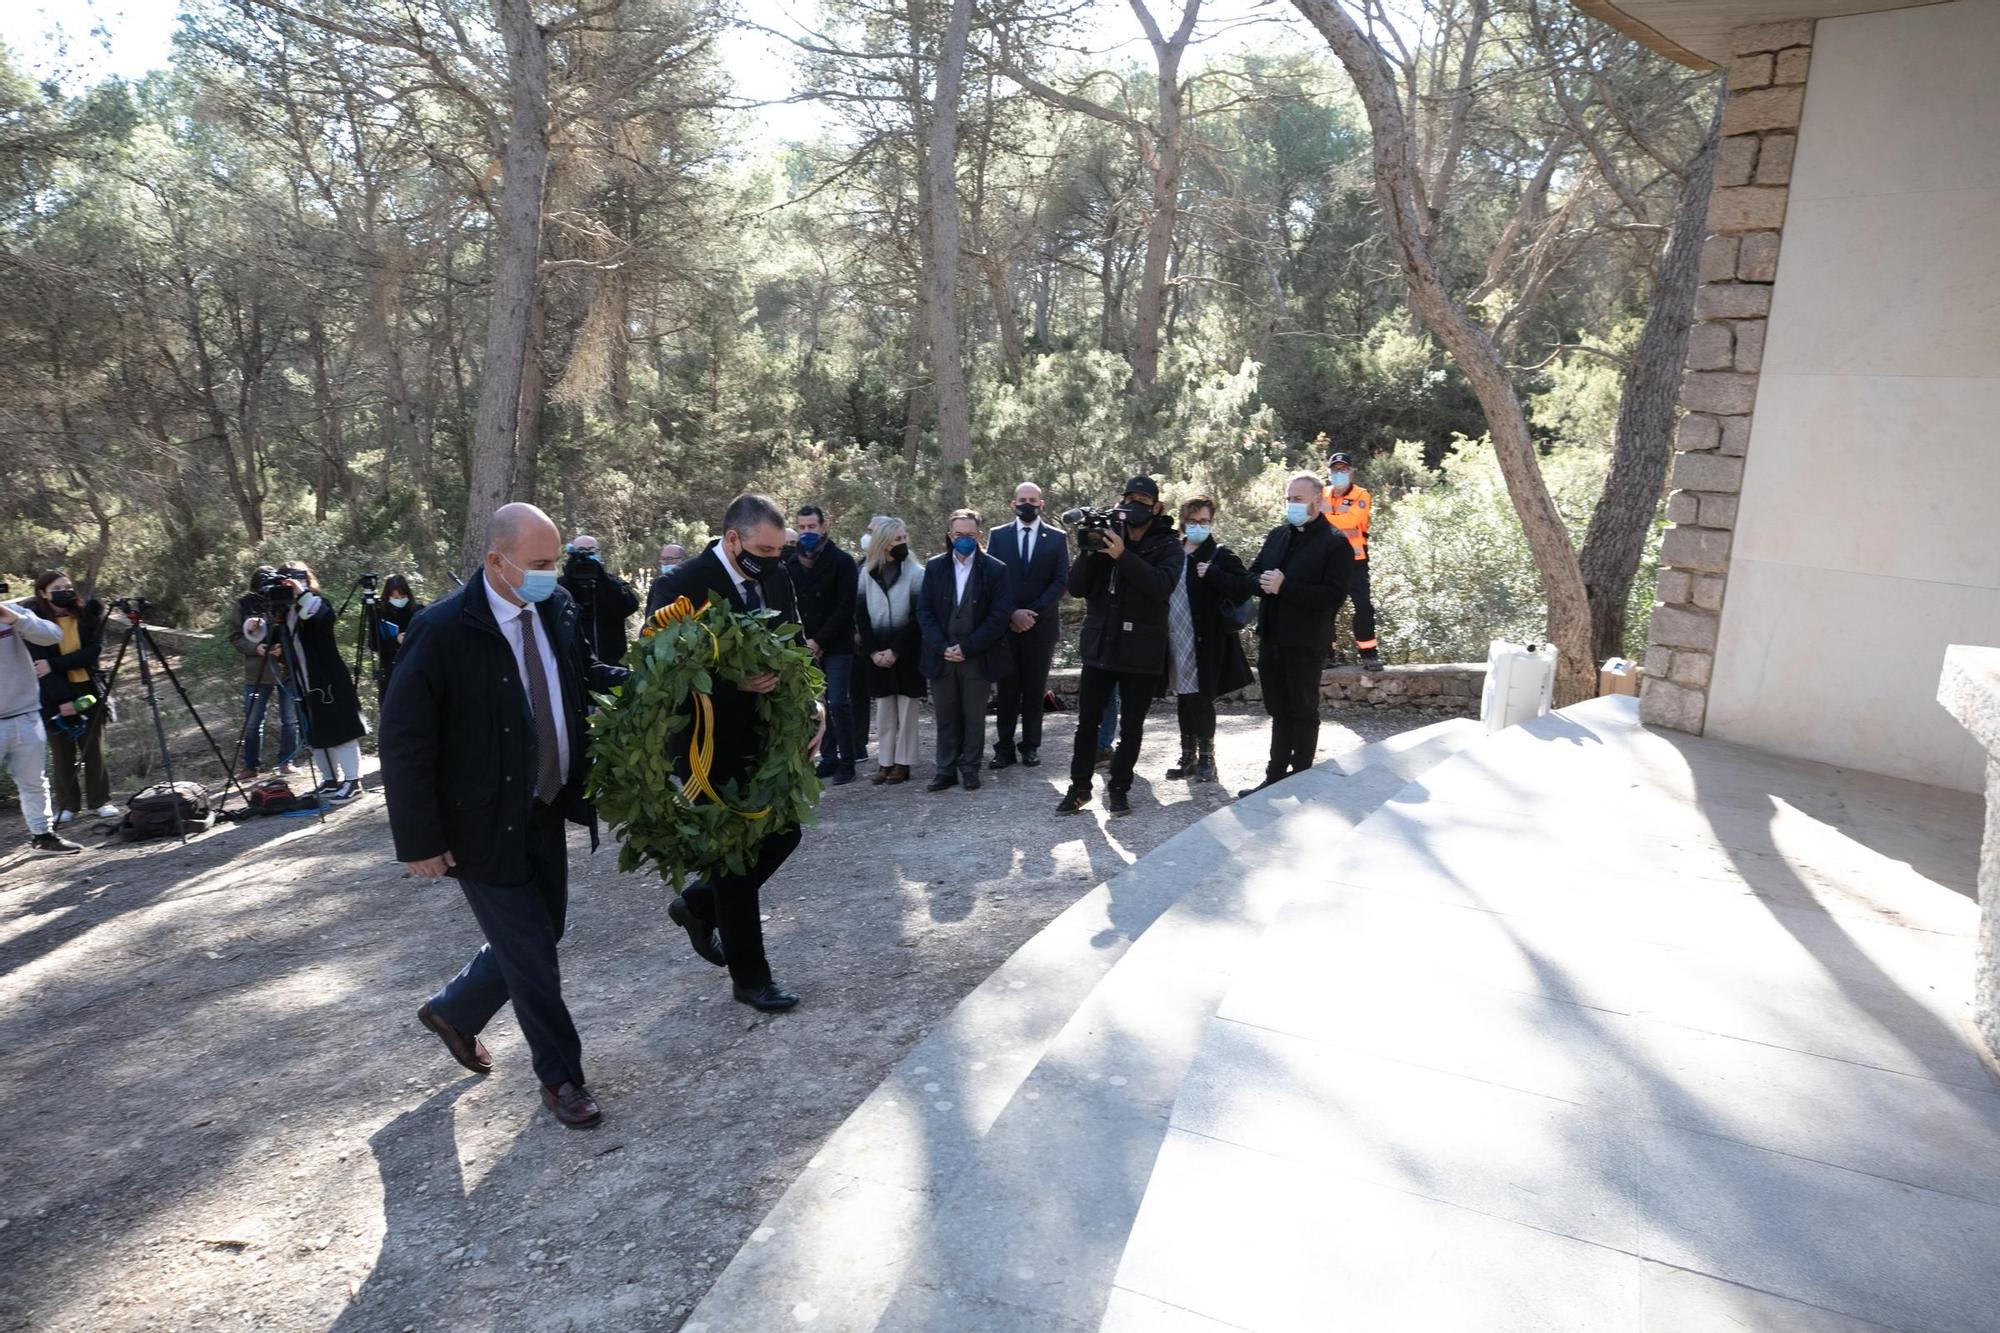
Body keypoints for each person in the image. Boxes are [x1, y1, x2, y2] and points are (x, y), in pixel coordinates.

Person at [382, 502, 632, 1130]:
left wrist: (653, 676)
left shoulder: (554, 608)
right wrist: (419, 838)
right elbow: (404, 740)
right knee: (531, 957)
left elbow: (578, 678)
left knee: (542, 933)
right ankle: (561, 1079)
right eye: (541, 564)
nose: (555, 574)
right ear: (497, 562)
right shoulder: (442, 630)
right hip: (480, 826)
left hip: (545, 806)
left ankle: (455, 1011)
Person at [650, 493, 823, 1013]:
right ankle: (750, 979)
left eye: (779, 549)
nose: (774, 559)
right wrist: (730, 680)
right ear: (732, 540)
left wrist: (814, 703)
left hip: (762, 738)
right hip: (704, 745)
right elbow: (659, 672)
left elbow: (791, 646)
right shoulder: (680, 586)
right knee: (734, 856)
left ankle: (700, 907)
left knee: (784, 832)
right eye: (764, 549)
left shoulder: (775, 575)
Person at [1211, 472, 1352, 796]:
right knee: (1277, 709)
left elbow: (1333, 596)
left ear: (1318, 500)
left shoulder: (1335, 542)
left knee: (1303, 709)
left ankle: (1302, 777)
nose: (1292, 504)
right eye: (1289, 499)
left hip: (1305, 642)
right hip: (1272, 637)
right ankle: (1274, 777)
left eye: (1298, 499)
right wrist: (1259, 583)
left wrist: (1285, 586)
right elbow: (1253, 574)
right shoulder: (1277, 535)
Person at [1057, 477, 1184, 817]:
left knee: (1131, 727)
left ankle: (1119, 788)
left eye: (1142, 499)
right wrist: (1088, 551)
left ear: (1156, 507)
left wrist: (1122, 556)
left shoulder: (1169, 545)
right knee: (1087, 724)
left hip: (1141, 650)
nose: (1133, 505)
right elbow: (1077, 587)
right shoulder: (1108, 536)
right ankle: (1079, 787)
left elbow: (1160, 586)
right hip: (1101, 646)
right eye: (1128, 498)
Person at [245, 562, 368, 801]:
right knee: (315, 731)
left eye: (292, 581)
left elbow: (322, 618)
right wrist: (258, 625)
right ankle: (330, 780)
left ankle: (353, 782)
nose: (288, 586)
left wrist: (301, 594)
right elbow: (272, 638)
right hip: (303, 680)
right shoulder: (285, 612)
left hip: (328, 679)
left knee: (341, 730)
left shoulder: (317, 603)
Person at [916, 509, 1014, 794]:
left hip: (978, 656)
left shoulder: (996, 569)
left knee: (974, 716)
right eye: (959, 535)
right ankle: (945, 770)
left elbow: (999, 615)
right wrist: (943, 646)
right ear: (950, 535)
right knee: (946, 716)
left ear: (979, 536)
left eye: (970, 535)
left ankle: (970, 768)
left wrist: (968, 647)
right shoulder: (935, 567)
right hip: (942, 655)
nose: (964, 540)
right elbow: (924, 611)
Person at [1163, 499, 1254, 784]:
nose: (1198, 526)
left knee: (1201, 699)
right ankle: (1186, 756)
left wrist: (1214, 575)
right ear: (1182, 522)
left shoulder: (1219, 555)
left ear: (1211, 522)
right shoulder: (1172, 553)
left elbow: (1246, 586)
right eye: (1193, 520)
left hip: (1206, 641)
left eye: (1204, 521)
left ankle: (1207, 759)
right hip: (1174, 637)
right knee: (1183, 696)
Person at [986, 481, 1069, 769]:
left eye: (1033, 500)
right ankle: (1004, 748)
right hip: (1006, 627)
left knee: (1034, 692)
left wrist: (1030, 612)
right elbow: (991, 579)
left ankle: (1031, 746)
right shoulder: (998, 536)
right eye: (1022, 499)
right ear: (1013, 503)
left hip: (1040, 627)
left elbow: (1061, 581)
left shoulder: (1057, 538)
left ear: (1042, 504)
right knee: (1006, 692)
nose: (1028, 504)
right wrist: (1011, 613)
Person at [26, 572, 118, 824]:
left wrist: (54, 664)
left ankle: (101, 801)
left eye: (68, 586)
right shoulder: (33, 622)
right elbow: (39, 667)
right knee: (62, 750)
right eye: (57, 587)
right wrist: (63, 699)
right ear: (43, 593)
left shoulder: (88, 615)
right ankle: (68, 805)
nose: (65, 591)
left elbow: (93, 653)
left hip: (89, 688)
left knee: (93, 748)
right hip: (52, 694)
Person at [0, 590, 82, 855]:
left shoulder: (12, 612)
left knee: (34, 782)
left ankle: (43, 836)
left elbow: (51, 635)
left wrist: (15, 619)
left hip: (24, 715)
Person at [788, 505, 859, 785]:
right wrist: (805, 640)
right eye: (801, 527)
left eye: (811, 527)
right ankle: (827, 758)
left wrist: (820, 640)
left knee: (839, 702)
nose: (806, 533)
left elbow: (845, 606)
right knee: (818, 704)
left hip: (837, 642)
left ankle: (848, 761)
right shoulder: (791, 563)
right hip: (806, 643)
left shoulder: (841, 561)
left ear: (823, 527)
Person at [856, 516, 925, 784]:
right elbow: (861, 614)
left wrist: (895, 652)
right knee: (884, 709)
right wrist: (874, 652)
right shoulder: (866, 573)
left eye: (905, 536)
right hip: (877, 654)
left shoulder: (917, 573)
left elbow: (917, 619)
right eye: (898, 538)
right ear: (883, 542)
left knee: (907, 709)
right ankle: (884, 761)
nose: (903, 541)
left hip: (906, 654)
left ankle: (903, 762)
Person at [229, 566, 306, 779]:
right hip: (257, 671)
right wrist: (256, 648)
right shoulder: (244, 604)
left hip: (285, 668)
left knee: (290, 719)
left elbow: (299, 629)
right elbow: (236, 636)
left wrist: (286, 648)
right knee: (253, 721)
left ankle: (286, 762)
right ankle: (250, 766)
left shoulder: (286, 600)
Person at [1323, 448, 1382, 670]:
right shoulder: (1322, 493)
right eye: (1335, 469)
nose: (1339, 473)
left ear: (1351, 472)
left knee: (1363, 607)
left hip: (1355, 561)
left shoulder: (1362, 495)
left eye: (1343, 469)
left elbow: (1350, 521)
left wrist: (1322, 517)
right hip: (1328, 561)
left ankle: (1369, 655)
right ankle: (1326, 654)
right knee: (1325, 608)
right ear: (1329, 472)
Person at [558, 533, 641, 666]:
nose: (586, 556)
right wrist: (570, 575)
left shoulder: (612, 582)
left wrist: (602, 578)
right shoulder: (561, 586)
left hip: (612, 664)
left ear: (599, 554)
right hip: (575, 667)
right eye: (580, 552)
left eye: (591, 551)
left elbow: (630, 605)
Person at [373, 575, 424, 698]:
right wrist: (396, 640)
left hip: (414, 668)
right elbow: (374, 644)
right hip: (389, 669)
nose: (399, 600)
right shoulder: (379, 613)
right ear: (388, 596)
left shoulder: (418, 611)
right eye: (395, 597)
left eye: (402, 597)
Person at [645, 543, 689, 616]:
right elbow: (650, 612)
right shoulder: (658, 583)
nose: (665, 563)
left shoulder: (693, 580)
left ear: (683, 559)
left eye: (670, 559)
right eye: (663, 559)